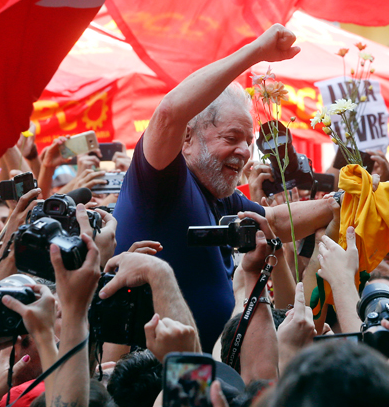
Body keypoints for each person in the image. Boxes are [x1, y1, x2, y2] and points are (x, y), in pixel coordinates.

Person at [113, 24, 339, 351]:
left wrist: (338, 202)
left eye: (249, 142)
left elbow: (274, 222)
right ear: (187, 137)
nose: (246, 152)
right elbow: (168, 113)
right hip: (165, 386)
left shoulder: (220, 196)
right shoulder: (163, 181)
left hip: (216, 379)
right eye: (232, 138)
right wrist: (256, 53)